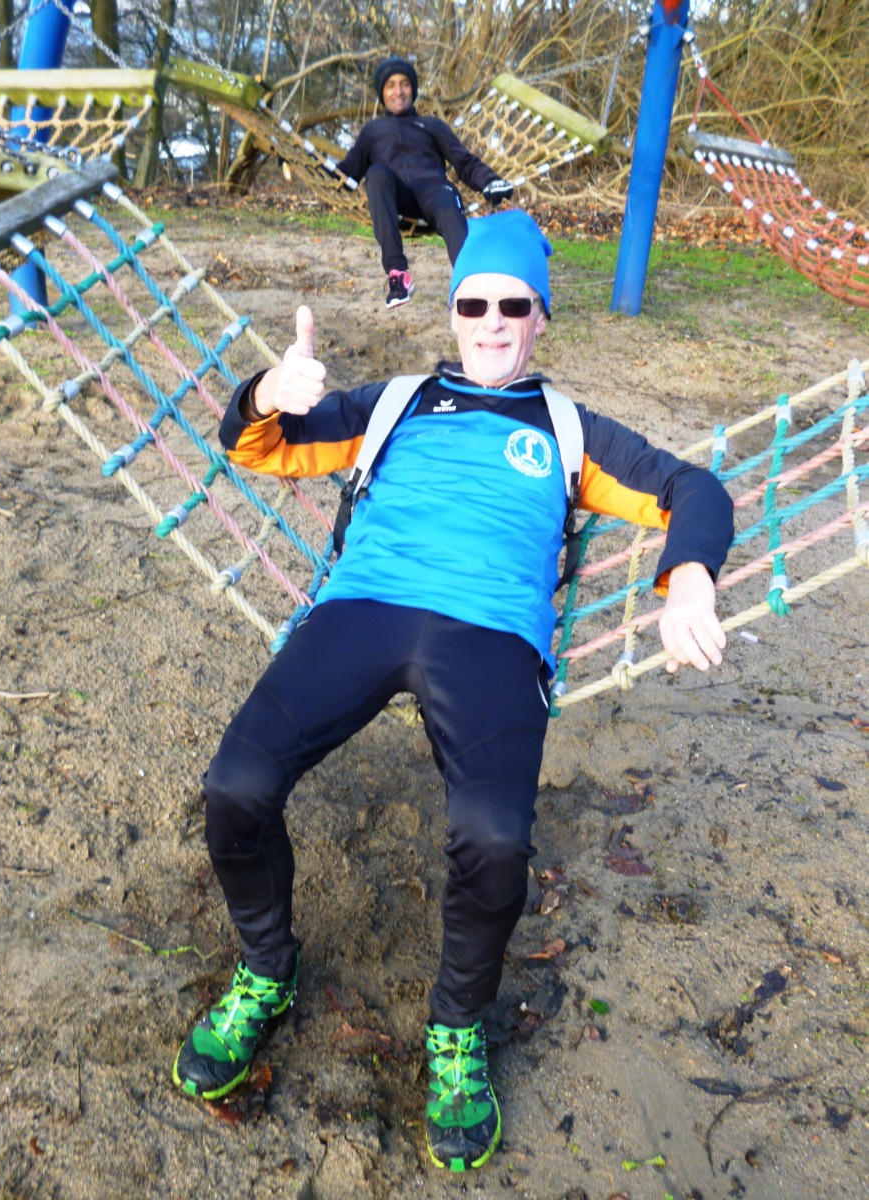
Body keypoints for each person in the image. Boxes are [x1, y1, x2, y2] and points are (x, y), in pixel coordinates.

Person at [172, 210, 734, 1173]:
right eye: (474, 304)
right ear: (453, 311)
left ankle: (459, 1025)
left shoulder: (571, 432)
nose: (492, 323)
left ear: (541, 317)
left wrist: (688, 577)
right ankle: (267, 969)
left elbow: (697, 488)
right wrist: (267, 390)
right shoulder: (394, 404)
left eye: (513, 305)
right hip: (365, 606)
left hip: (492, 637)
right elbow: (255, 445)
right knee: (235, 785)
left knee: (495, 840)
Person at [333, 55, 514, 310]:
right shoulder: (373, 131)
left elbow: (463, 161)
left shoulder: (431, 125)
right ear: (382, 93)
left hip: (434, 192)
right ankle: (398, 275)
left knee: (448, 202)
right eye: (391, 85)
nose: (398, 91)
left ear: (413, 89)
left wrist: (490, 182)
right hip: (396, 200)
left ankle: (470, 284)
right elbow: (345, 175)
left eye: (404, 84)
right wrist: (309, 166)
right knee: (375, 174)